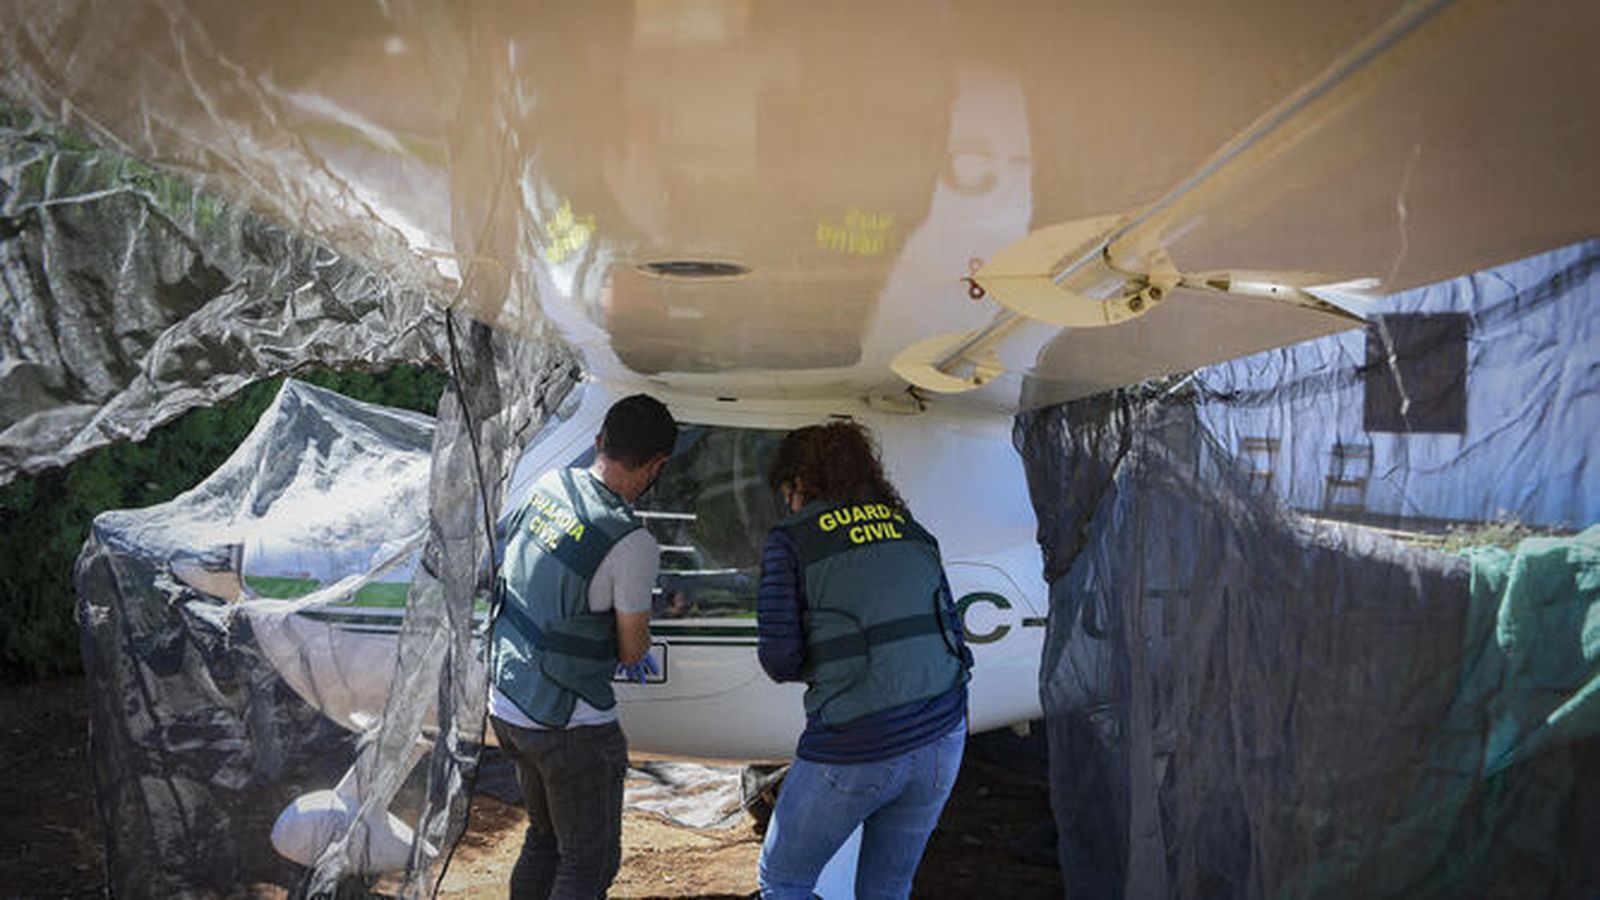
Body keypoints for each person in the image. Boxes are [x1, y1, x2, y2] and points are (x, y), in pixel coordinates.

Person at [755, 421, 973, 899]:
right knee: (888, 888)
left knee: (783, 880)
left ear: (798, 482)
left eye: (787, 492)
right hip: (944, 732)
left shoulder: (792, 539)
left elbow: (779, 658)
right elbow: (952, 630)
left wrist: (835, 657)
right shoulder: (911, 530)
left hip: (856, 743)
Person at [488, 393, 677, 899]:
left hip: (509, 702)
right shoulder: (631, 542)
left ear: (599, 441)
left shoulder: (548, 484)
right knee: (589, 862)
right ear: (657, 465)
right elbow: (633, 651)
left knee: (545, 838)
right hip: (570, 726)